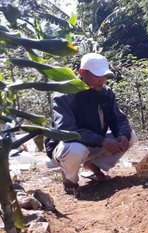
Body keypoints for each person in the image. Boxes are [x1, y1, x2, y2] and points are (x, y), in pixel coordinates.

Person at [46, 53, 136, 194]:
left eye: (104, 76)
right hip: (67, 146)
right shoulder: (64, 95)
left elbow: (118, 119)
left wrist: (123, 135)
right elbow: (66, 130)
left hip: (95, 144)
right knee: (75, 149)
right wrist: (101, 140)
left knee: (131, 136)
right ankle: (70, 178)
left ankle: (92, 165)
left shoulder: (106, 94)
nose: (102, 80)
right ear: (82, 73)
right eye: (97, 76)